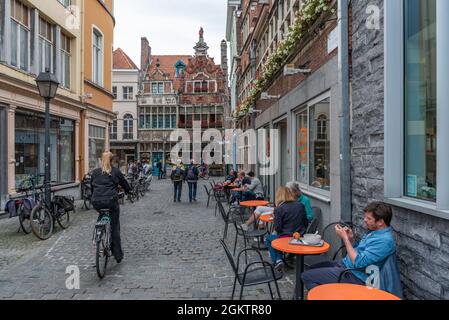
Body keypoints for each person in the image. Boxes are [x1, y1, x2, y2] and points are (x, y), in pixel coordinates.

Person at [301, 202, 396, 290]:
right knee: (311, 269)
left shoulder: (384, 241)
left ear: (380, 222)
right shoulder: (375, 232)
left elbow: (358, 262)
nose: (365, 220)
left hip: (355, 276)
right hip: (346, 265)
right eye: (365, 217)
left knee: (306, 276)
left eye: (369, 218)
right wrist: (350, 239)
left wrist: (345, 239)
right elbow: (359, 251)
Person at [91, 151, 131, 263]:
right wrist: (129, 191)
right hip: (111, 201)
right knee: (114, 226)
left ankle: (98, 232)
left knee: (102, 213)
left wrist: (94, 198)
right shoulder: (115, 171)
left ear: (101, 159)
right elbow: (124, 183)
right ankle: (118, 255)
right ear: (113, 160)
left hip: (97, 202)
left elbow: (92, 188)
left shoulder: (95, 172)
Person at [265, 187, 308, 271]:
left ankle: (277, 260)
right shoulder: (300, 205)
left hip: (285, 237)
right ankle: (280, 259)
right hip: (299, 236)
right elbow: (305, 222)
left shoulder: (278, 209)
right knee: (275, 238)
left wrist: (275, 219)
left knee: (269, 238)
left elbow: (278, 228)